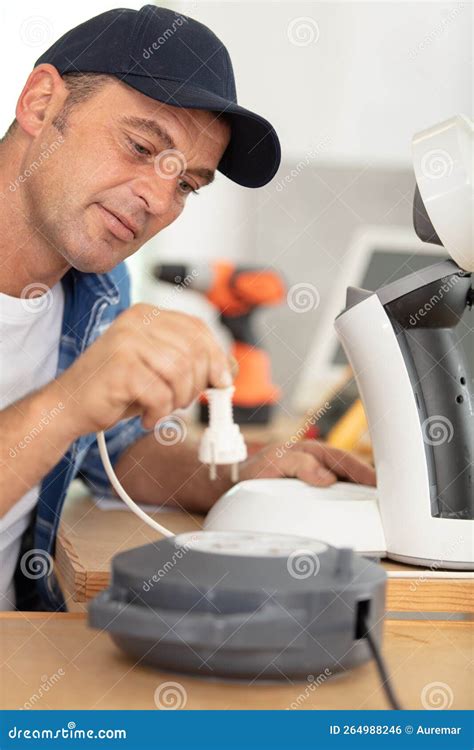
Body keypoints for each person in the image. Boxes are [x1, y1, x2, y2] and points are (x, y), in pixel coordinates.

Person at [0, 6, 375, 611]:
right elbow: (72, 419)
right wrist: (68, 402)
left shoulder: (98, 290)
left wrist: (233, 474)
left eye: (186, 185)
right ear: (42, 103)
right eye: (141, 145)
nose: (156, 197)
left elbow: (115, 454)